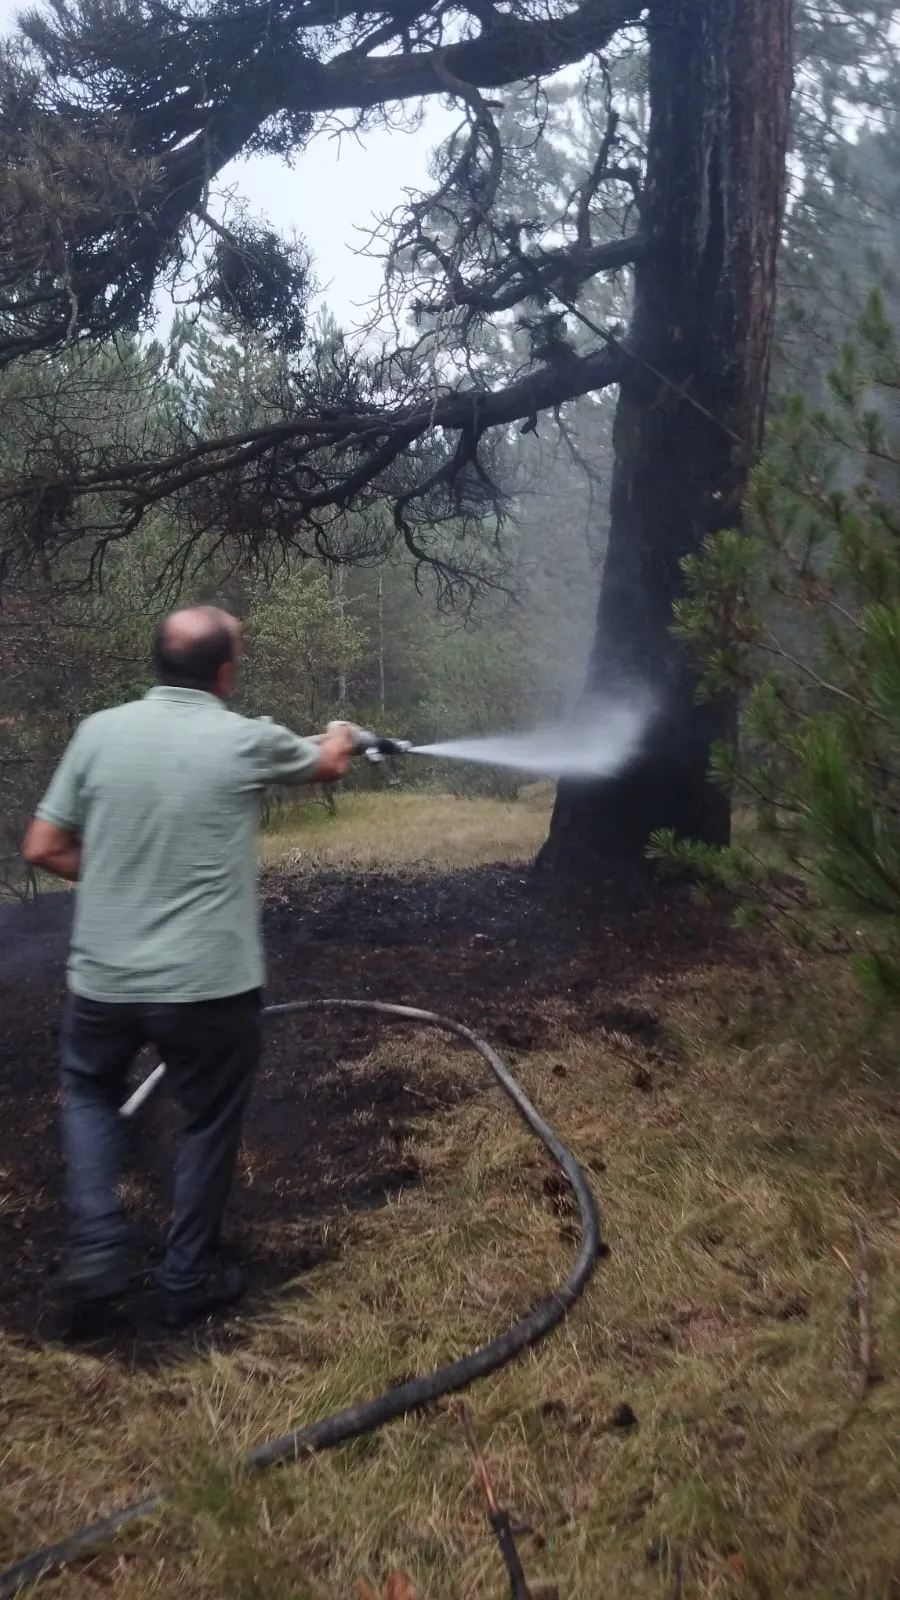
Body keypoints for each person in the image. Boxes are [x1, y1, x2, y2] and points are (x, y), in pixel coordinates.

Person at [22, 605, 357, 1328]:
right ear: (226, 673)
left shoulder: (97, 733)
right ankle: (186, 1276)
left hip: (103, 980)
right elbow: (328, 762)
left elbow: (42, 846)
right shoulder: (244, 739)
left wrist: (116, 875)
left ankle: (97, 1244)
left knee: (88, 1094)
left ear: (158, 662)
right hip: (209, 987)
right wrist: (343, 731)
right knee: (207, 1121)